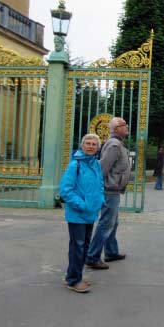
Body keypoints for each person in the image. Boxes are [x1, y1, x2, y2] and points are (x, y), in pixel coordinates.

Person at [59, 134, 105, 293]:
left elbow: (100, 184)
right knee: (77, 246)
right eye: (88, 143)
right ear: (82, 146)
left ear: (98, 147)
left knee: (84, 246)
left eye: (94, 144)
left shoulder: (96, 164)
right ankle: (73, 280)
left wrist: (100, 200)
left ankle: (75, 275)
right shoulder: (75, 165)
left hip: (91, 213)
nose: (91, 146)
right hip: (77, 214)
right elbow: (65, 190)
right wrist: (82, 204)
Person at [86, 117, 130, 270]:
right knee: (106, 223)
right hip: (110, 190)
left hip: (113, 189)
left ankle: (111, 252)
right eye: (124, 125)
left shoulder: (118, 143)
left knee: (113, 222)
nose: (127, 126)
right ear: (116, 128)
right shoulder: (114, 144)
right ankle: (92, 256)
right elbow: (103, 168)